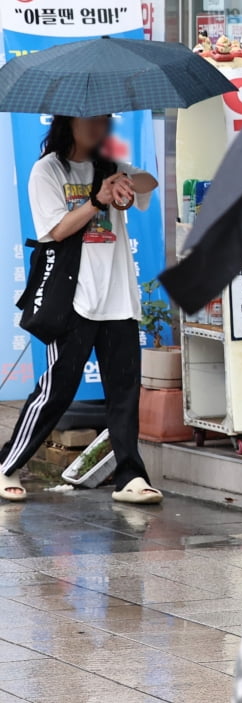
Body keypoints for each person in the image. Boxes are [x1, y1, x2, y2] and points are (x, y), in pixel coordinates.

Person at [0, 115, 162, 505]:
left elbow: (149, 183)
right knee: (57, 390)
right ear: (68, 122)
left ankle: (130, 476)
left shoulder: (110, 165)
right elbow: (55, 230)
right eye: (90, 121)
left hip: (118, 297)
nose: (98, 127)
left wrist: (125, 183)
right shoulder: (47, 170)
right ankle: (7, 464)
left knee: (124, 391)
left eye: (104, 121)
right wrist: (97, 200)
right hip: (72, 299)